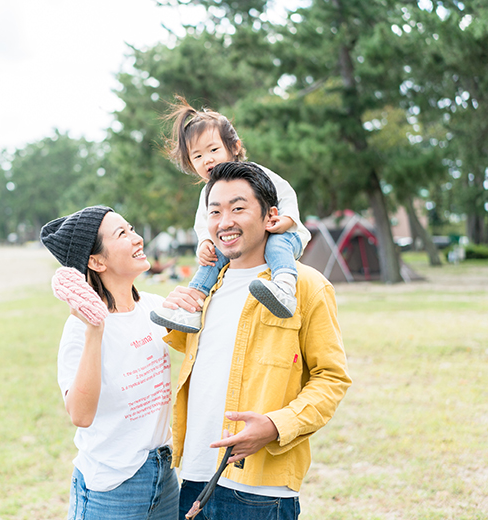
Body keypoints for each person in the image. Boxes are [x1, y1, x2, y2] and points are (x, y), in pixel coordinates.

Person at [160, 162, 352, 520]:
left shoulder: (304, 286)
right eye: (214, 211)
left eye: (238, 208)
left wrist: (276, 425)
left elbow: (332, 378)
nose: (224, 222)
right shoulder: (204, 290)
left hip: (260, 493)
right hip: (191, 479)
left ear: (271, 216)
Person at [40, 206, 179, 520]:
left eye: (131, 229)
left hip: (165, 476)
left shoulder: (155, 309)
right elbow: (80, 414)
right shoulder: (79, 330)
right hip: (114, 488)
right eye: (122, 234)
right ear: (96, 261)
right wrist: (95, 329)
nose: (136, 238)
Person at [150, 97, 311, 333]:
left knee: (276, 245)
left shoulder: (256, 174)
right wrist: (205, 242)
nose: (208, 159)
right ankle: (193, 306)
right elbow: (203, 223)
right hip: (240, 242)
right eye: (197, 156)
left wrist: (284, 221)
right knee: (212, 259)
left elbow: (287, 196)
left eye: (214, 149)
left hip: (284, 235)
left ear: (234, 146)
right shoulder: (208, 191)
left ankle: (284, 288)